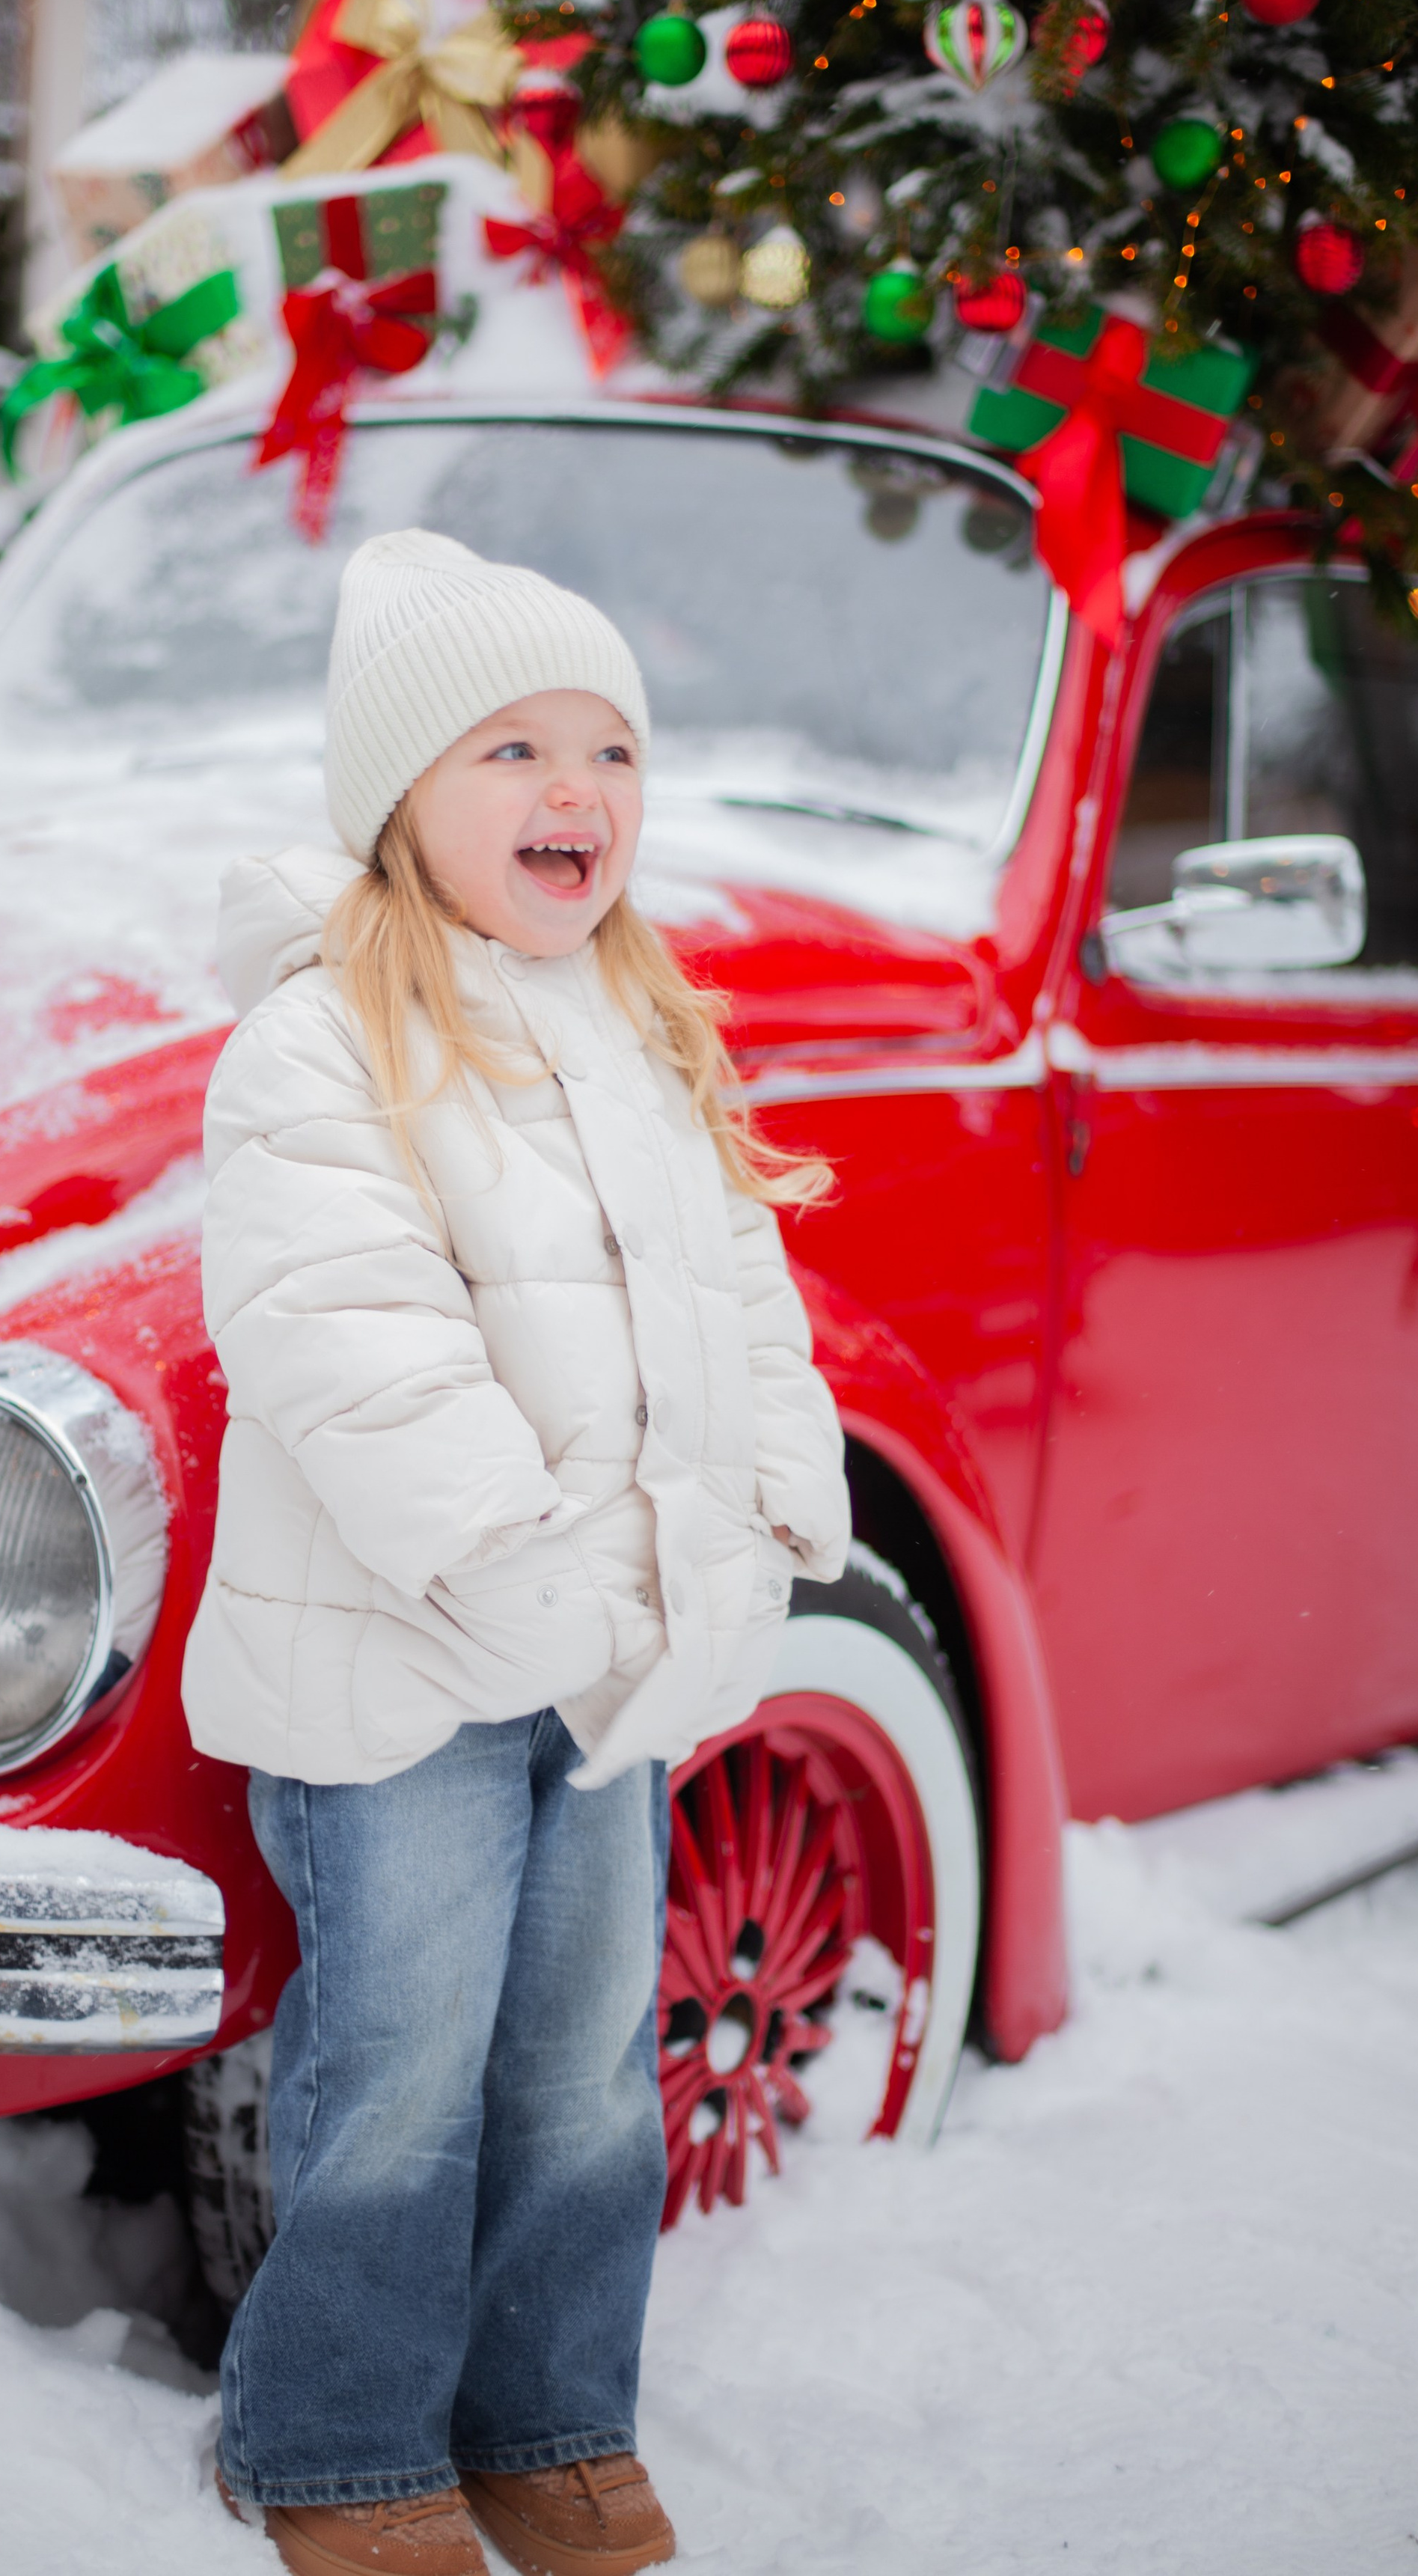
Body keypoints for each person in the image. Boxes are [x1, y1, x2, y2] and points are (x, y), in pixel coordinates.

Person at [183, 531, 851, 2576]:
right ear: (401, 798)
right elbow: (347, 1337)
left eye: (610, 752)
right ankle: (336, 2445)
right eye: (514, 751)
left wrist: (777, 1496)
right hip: (407, 1664)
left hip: (609, 1663)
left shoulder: (638, 1028)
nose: (577, 791)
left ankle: (550, 2420)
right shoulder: (320, 1042)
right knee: (402, 2069)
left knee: (581, 2069)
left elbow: (741, 1294)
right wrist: (514, 1558)